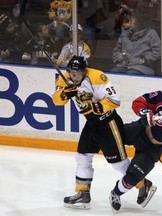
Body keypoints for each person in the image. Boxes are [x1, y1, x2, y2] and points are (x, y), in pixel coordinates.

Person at [51, 55, 130, 209]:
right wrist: (65, 94)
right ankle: (83, 193)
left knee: (118, 164)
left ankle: (142, 183)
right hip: (92, 124)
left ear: (84, 72)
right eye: (72, 74)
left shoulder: (97, 76)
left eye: (78, 74)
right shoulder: (65, 80)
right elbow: (56, 101)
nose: (74, 77)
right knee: (82, 157)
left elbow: (115, 100)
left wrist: (94, 108)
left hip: (108, 122)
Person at [111, 10, 161, 75]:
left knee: (131, 74)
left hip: (143, 67)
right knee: (113, 73)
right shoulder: (124, 32)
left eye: (131, 20)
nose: (127, 24)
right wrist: (118, 56)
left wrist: (143, 60)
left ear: (138, 21)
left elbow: (158, 52)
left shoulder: (151, 33)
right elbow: (117, 49)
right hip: (124, 65)